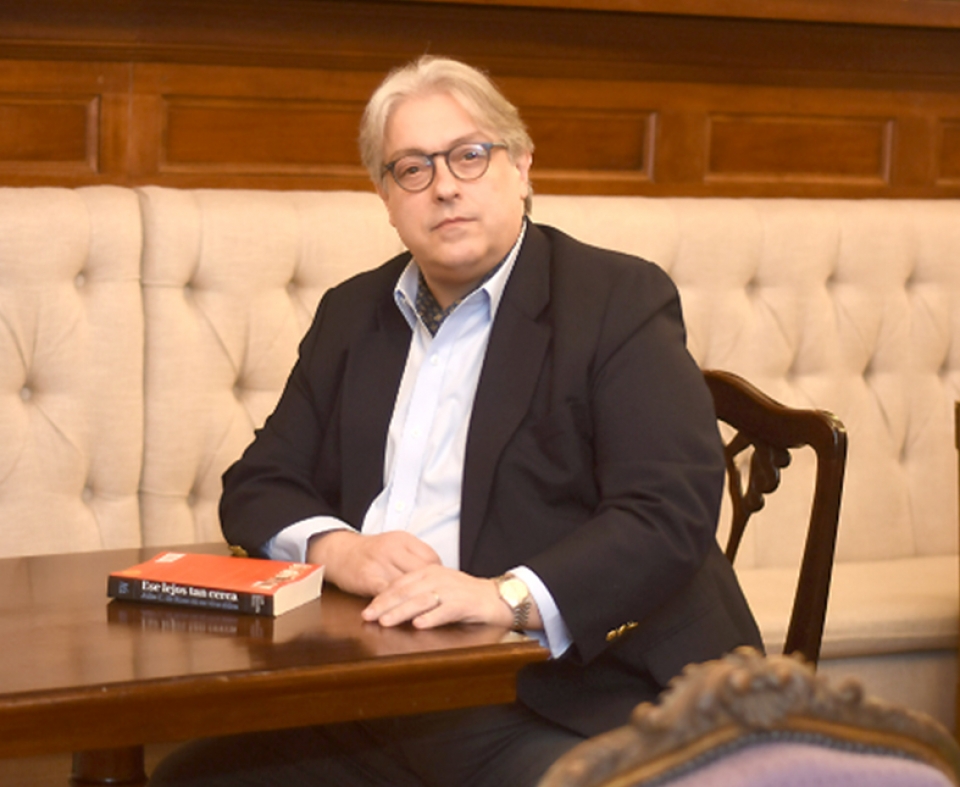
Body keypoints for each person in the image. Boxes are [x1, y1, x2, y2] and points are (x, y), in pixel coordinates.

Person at [149, 55, 762, 787]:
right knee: (185, 778)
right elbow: (257, 484)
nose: (444, 186)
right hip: (372, 690)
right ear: (385, 197)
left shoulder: (615, 299)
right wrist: (338, 548)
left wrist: (504, 597)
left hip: (568, 693)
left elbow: (666, 511)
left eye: (470, 155)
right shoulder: (353, 313)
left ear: (522, 167)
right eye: (412, 168)